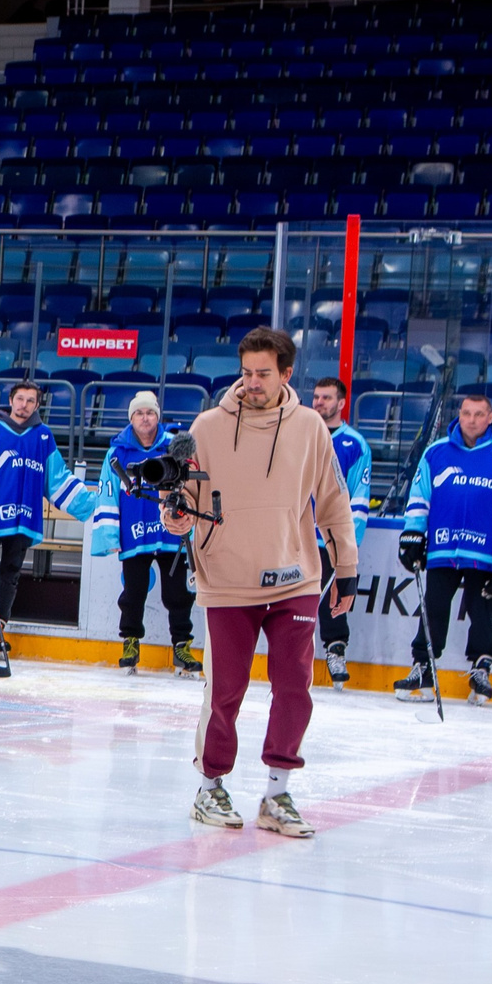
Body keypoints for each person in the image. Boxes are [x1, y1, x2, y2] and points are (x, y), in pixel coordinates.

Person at [169, 327, 357, 837]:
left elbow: (334, 502)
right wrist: (178, 518)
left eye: (263, 374)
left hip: (295, 575)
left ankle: (277, 792)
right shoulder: (206, 427)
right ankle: (210, 786)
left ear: (286, 374)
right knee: (226, 690)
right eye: (246, 372)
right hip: (228, 579)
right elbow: (182, 501)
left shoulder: (311, 429)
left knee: (294, 687)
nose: (251, 383)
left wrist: (347, 570)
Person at [395, 386, 492, 707]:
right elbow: (419, 498)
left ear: (491, 418)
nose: (471, 420)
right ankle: (423, 666)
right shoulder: (436, 452)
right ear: (459, 415)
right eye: (466, 413)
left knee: (481, 610)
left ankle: (480, 667)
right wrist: (413, 534)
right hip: (443, 547)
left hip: (485, 551)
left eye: (478, 414)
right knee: (434, 607)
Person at [0, 380, 91, 661]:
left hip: (24, 518)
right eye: (20, 398)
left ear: (37, 405)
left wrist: (91, 505)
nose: (24, 405)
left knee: (11, 574)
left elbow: (56, 478)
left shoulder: (43, 436)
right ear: (11, 400)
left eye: (30, 400)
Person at [89, 391, 198, 673]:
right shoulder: (117, 453)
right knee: (133, 592)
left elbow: (193, 489)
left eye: (150, 413)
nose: (145, 418)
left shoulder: (175, 446)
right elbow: (108, 494)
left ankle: (181, 646)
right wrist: (110, 536)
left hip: (172, 533)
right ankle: (131, 641)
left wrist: (193, 532)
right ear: (131, 418)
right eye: (139, 413)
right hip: (134, 534)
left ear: (157, 416)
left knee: (178, 594)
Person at [307, 377, 372, 685]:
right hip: (297, 535)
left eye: (326, 398)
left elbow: (358, 498)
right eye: (316, 397)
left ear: (342, 403)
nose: (319, 402)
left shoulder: (355, 444)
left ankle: (335, 649)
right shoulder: (301, 436)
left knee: (334, 596)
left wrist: (349, 544)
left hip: (331, 537)